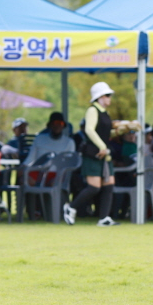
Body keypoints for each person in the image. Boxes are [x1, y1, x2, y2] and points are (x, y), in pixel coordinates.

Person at [65, 82, 119, 227]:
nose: (109, 98)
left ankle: (104, 218)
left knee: (109, 185)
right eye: (107, 95)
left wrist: (123, 130)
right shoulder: (92, 110)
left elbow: (106, 133)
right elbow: (89, 130)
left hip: (105, 154)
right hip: (94, 153)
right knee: (94, 187)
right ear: (100, 97)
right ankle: (71, 207)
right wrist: (102, 146)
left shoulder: (105, 113)